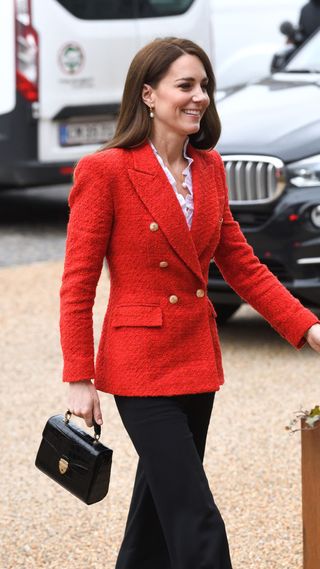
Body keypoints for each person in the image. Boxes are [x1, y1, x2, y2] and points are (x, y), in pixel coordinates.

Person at [60, 37, 320, 569]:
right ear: (149, 95)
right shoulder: (105, 171)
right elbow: (77, 284)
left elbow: (243, 267)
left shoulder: (209, 169)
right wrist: (78, 377)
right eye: (185, 85)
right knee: (195, 517)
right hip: (139, 369)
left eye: (204, 85)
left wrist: (309, 328)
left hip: (195, 363)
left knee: (155, 517)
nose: (199, 96)